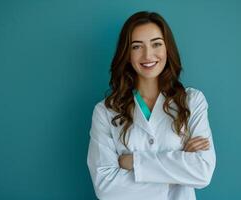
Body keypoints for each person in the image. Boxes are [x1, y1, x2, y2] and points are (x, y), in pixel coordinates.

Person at [87, 11, 216, 200]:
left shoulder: (192, 101)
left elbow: (202, 172)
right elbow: (106, 188)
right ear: (127, 54)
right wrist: (179, 169)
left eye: (156, 44)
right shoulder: (105, 111)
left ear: (167, 49)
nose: (148, 55)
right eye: (137, 46)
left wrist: (134, 163)